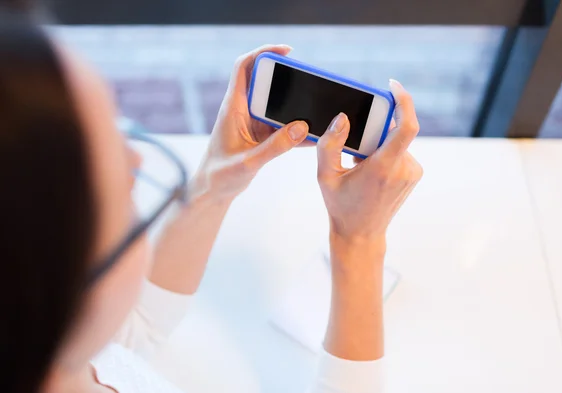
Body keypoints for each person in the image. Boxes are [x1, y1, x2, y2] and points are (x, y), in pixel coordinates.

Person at [0, 12, 423, 393]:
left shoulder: (54, 355)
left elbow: (130, 337)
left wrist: (214, 181)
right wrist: (358, 243)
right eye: (126, 189)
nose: (137, 157)